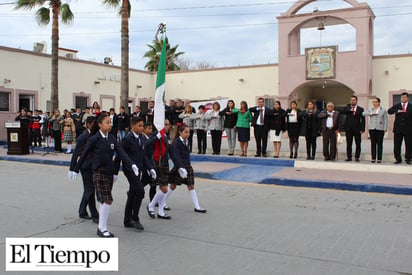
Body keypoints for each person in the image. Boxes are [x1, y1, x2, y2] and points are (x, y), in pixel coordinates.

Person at [70, 114, 140, 238]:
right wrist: (74, 169)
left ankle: (101, 227)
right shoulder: (95, 139)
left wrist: (131, 164)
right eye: (107, 122)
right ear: (100, 124)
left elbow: (121, 152)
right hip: (98, 171)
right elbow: (84, 154)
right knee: (108, 199)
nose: (110, 125)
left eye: (110, 122)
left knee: (104, 200)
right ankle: (102, 228)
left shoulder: (112, 138)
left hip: (109, 171)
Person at [116, 116, 156, 231]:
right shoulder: (127, 139)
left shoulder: (141, 139)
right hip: (130, 170)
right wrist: (115, 172)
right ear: (132, 126)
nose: (141, 128)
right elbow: (120, 154)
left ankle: (127, 220)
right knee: (140, 191)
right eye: (139, 126)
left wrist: (150, 168)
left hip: (139, 169)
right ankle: (135, 218)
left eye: (142, 126)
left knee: (133, 193)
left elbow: (143, 156)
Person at [169, 125, 207, 215]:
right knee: (173, 186)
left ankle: (197, 206)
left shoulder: (187, 141)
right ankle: (162, 203)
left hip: (188, 166)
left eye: (189, 132)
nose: (188, 134)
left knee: (191, 186)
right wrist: (180, 168)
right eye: (185, 132)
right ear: (180, 132)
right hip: (179, 167)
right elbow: (176, 156)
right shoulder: (176, 143)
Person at [69, 116, 99, 223]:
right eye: (94, 123)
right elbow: (76, 153)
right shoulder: (83, 137)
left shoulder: (95, 135)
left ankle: (82, 210)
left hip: (93, 165)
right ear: (89, 124)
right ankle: (94, 214)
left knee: (88, 189)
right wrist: (72, 169)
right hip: (85, 166)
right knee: (90, 190)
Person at [146, 119, 173, 219]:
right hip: (157, 163)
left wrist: (179, 165)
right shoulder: (155, 135)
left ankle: (161, 211)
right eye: (165, 124)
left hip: (165, 164)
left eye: (168, 124)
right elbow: (147, 144)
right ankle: (151, 205)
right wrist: (156, 137)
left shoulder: (166, 136)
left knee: (164, 189)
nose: (167, 126)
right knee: (164, 188)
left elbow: (170, 151)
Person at [388, 92, 412, 164]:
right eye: (402, 97)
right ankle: (398, 158)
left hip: (408, 129)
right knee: (397, 144)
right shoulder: (397, 106)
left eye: (404, 97)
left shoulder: (411, 106)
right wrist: (397, 111)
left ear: (407, 98)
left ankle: (408, 158)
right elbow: (389, 111)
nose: (403, 99)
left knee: (409, 144)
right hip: (398, 128)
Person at [363, 97, 388, 163]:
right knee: (373, 143)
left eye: (375, 102)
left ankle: (379, 158)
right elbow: (363, 113)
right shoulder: (371, 109)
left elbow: (385, 119)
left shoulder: (383, 110)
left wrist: (385, 128)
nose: (374, 103)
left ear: (379, 102)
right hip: (372, 128)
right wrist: (371, 114)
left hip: (380, 128)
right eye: (373, 102)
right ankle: (373, 157)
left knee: (379, 143)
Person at [343, 95, 365, 162]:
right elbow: (343, 112)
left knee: (358, 143)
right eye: (351, 100)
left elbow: (363, 119)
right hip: (349, 128)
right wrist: (349, 109)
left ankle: (357, 157)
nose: (352, 101)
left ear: (356, 101)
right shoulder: (347, 108)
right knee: (349, 143)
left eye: (354, 100)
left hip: (357, 128)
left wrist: (362, 128)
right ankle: (349, 157)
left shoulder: (360, 109)